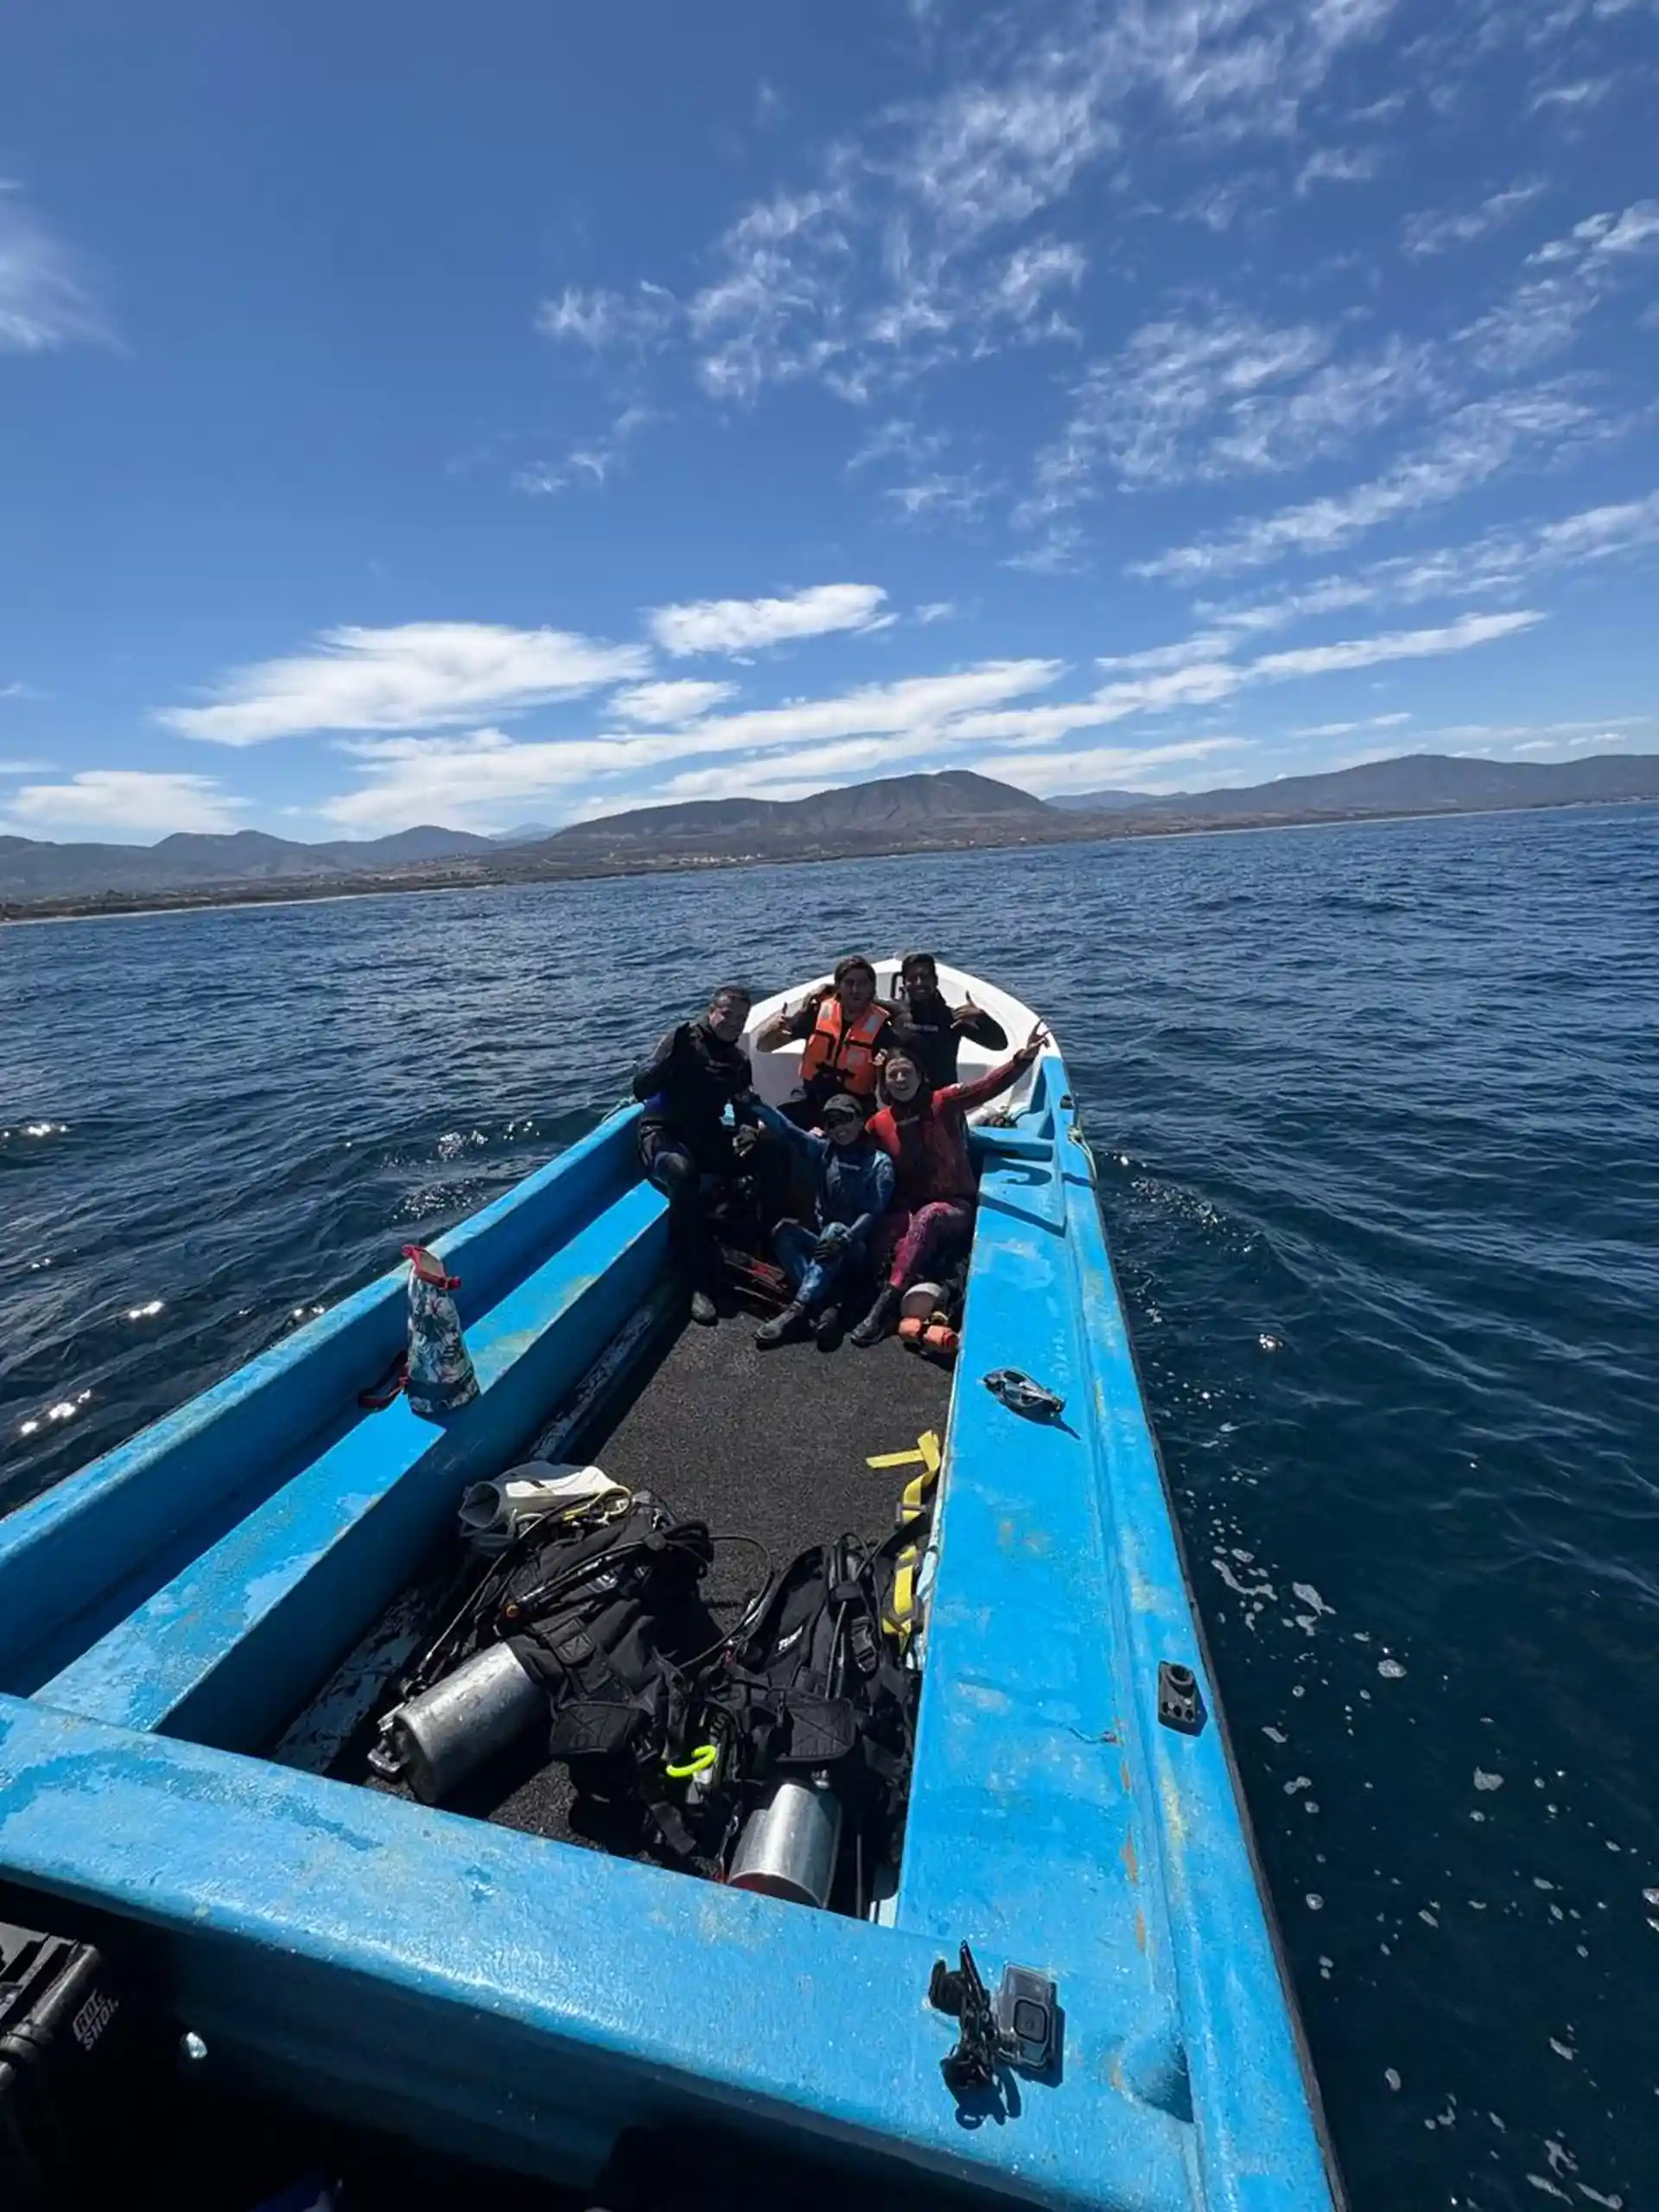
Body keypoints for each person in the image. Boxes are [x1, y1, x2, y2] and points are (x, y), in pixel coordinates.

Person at [849, 1022, 1049, 1348]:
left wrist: (1021, 1061)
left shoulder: (945, 1102)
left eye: (906, 1072)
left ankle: (882, 1310)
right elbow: (853, 1150)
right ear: (884, 1083)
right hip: (909, 1206)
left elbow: (987, 1087)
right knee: (884, 1229)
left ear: (920, 1075)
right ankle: (880, 1294)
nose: (900, 1080)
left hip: (954, 1206)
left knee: (929, 1217)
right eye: (892, 1075)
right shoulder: (879, 1124)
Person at [632, 984, 757, 1325]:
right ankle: (695, 1283)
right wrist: (668, 1063)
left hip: (706, 1136)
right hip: (662, 1134)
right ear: (711, 1010)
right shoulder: (683, 1039)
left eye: (741, 1018)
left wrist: (747, 1130)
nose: (733, 1023)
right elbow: (641, 1088)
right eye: (727, 1014)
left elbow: (744, 1107)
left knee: (770, 1153)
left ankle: (757, 1238)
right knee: (684, 1174)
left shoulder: (737, 1059)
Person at [741, 1090, 894, 1347]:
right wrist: (757, 1106)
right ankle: (825, 1302)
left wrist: (847, 1238)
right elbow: (788, 1131)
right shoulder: (825, 1151)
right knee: (783, 1231)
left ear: (860, 1121)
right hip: (822, 1244)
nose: (839, 1128)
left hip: (854, 1251)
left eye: (845, 1119)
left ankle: (797, 1310)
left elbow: (873, 1211)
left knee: (834, 1229)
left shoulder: (880, 1163)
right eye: (831, 1122)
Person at [753, 954, 896, 1125]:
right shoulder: (816, 1013)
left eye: (862, 983)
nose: (855, 990)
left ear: (872, 988)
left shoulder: (882, 1030)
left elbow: (887, 1091)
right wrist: (774, 1027)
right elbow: (763, 1046)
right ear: (839, 987)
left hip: (854, 1108)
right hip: (811, 1099)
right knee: (766, 1128)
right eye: (849, 983)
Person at [887, 950, 1007, 1090]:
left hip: (945, 1102)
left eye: (925, 977)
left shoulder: (952, 1017)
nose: (919, 983)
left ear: (936, 981)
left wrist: (982, 1018)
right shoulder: (893, 1014)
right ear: (905, 983)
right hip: (904, 1100)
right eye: (913, 978)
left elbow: (1000, 1044)